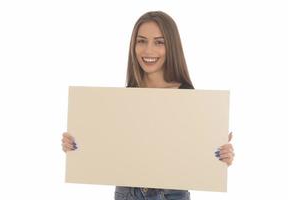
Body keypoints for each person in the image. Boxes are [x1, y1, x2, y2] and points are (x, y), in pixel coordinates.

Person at [61, 11, 235, 200]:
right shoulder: (120, 101)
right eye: (141, 41)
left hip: (172, 195)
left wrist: (221, 157)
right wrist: (76, 147)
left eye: (159, 42)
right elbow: (106, 150)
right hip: (127, 193)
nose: (148, 50)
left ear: (171, 47)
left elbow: (194, 159)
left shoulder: (189, 99)